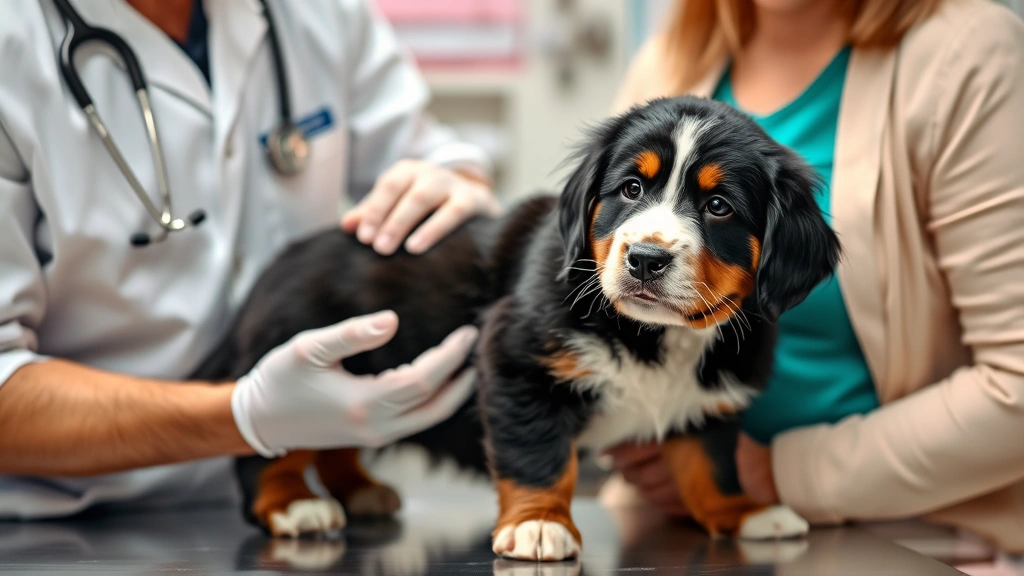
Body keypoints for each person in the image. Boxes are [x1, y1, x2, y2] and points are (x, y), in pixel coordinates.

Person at [0, 0, 501, 517]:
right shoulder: (12, 39)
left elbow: (433, 155)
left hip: (302, 503)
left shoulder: (318, 13)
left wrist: (455, 183)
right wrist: (241, 416)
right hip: (67, 518)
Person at [603, 0, 1024, 553]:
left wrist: (772, 472)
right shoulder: (669, 61)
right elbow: (582, 271)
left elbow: (1016, 387)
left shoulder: (967, 56)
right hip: (672, 526)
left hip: (904, 539)